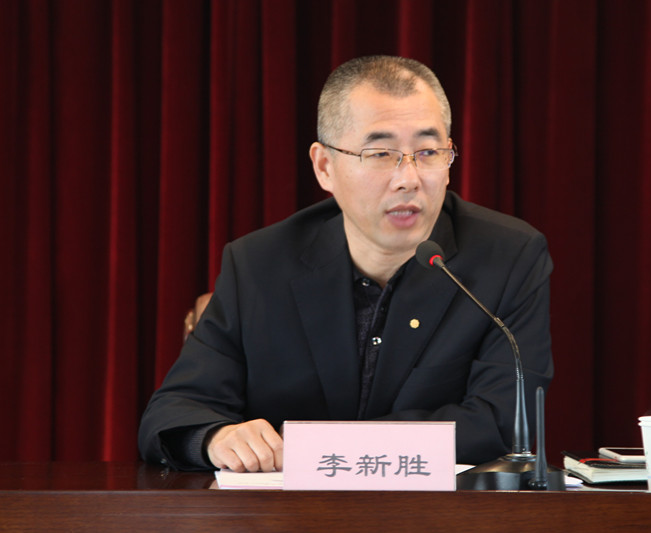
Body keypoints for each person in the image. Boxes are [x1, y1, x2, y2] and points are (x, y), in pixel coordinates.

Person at [138, 55, 554, 472]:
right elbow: (175, 411)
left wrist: (318, 447)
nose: (409, 179)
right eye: (380, 153)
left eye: (428, 152)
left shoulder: (508, 258)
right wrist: (216, 438)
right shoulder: (259, 265)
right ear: (325, 167)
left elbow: (499, 423)